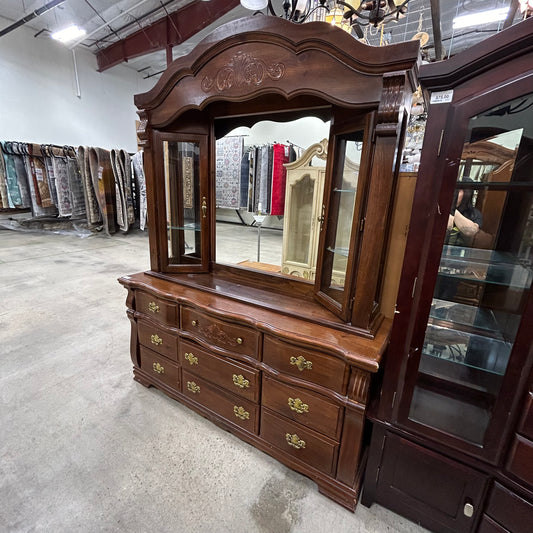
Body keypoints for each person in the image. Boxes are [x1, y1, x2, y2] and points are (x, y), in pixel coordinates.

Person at [446, 177, 482, 247]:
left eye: (458, 191)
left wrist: (453, 210)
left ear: (467, 194)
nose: (454, 193)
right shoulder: (440, 209)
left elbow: (471, 232)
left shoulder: (474, 213)